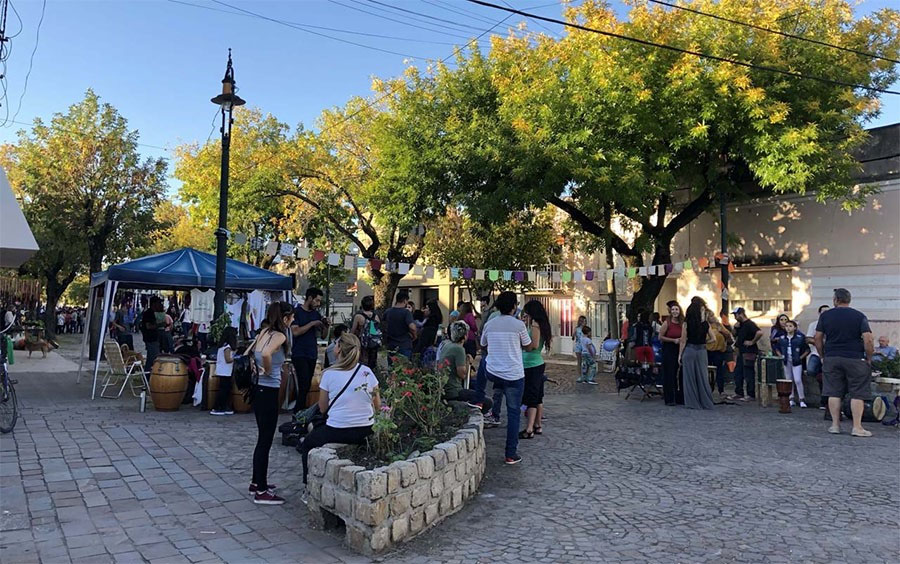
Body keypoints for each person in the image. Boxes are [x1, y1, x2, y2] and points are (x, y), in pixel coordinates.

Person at [299, 333, 380, 492]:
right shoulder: (367, 372)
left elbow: (323, 408)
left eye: (335, 344)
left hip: (338, 430)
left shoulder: (329, 374)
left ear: (338, 350)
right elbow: (377, 403)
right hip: (365, 429)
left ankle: (307, 486)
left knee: (307, 444)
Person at [249, 301, 294, 504]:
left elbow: (253, 353)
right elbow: (266, 354)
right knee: (265, 440)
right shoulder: (279, 335)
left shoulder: (263, 332)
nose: (292, 321)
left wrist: (259, 369)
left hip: (258, 389)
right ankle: (261, 489)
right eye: (291, 317)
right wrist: (267, 370)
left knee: (262, 437)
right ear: (284, 318)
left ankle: (256, 481)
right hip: (268, 389)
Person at [480, 291, 533, 465]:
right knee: (513, 412)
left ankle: (489, 401)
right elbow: (527, 346)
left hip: (494, 372)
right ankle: (510, 453)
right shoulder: (519, 325)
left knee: (496, 382)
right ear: (513, 307)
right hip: (513, 374)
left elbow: (483, 344)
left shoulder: (490, 323)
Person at [814, 288, 875, 437]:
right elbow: (868, 339)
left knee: (833, 392)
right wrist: (868, 357)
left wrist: (823, 355)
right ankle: (857, 427)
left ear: (835, 300)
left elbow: (817, 338)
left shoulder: (825, 316)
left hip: (832, 357)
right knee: (857, 393)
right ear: (849, 300)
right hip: (854, 357)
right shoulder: (859, 316)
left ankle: (835, 425)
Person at [439, 321, 492, 414]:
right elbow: (463, 374)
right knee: (488, 402)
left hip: (445, 388)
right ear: (465, 336)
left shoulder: (447, 345)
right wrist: (469, 362)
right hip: (454, 391)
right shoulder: (459, 349)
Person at [291, 288, 327, 413]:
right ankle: (298, 411)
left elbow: (323, 336)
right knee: (303, 383)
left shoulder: (316, 314)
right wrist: (312, 324)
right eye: (316, 300)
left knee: (307, 385)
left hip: (312, 353)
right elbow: (295, 332)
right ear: (310, 298)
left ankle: (301, 409)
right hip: (299, 352)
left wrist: (326, 326)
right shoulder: (297, 312)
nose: (318, 304)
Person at [519, 300, 552, 439]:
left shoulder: (535, 325)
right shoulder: (540, 324)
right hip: (535, 363)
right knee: (538, 397)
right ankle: (538, 425)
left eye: (527, 313)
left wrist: (523, 345)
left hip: (531, 363)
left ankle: (529, 428)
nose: (525, 315)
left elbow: (534, 344)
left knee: (531, 397)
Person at [679, 297, 716, 410]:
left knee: (689, 378)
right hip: (702, 351)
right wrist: (704, 342)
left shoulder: (686, 324)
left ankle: (692, 403)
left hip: (689, 350)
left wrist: (680, 355)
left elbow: (683, 340)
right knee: (703, 377)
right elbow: (713, 339)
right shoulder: (705, 324)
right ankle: (706, 402)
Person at [731, 307, 763, 402]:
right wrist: (735, 328)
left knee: (748, 373)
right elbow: (734, 335)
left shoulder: (750, 324)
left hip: (749, 351)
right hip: (741, 351)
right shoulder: (740, 325)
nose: (735, 317)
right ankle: (739, 392)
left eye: (735, 315)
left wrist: (752, 342)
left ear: (741, 314)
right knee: (738, 372)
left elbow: (759, 332)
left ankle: (750, 394)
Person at [775, 320, 808, 408]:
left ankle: (802, 399)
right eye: (787, 326)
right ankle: (791, 398)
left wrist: (800, 357)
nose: (788, 328)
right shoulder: (782, 338)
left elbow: (806, 349)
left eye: (790, 326)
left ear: (795, 328)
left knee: (797, 379)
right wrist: (781, 356)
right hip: (786, 360)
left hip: (796, 361)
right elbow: (777, 348)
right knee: (789, 380)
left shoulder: (800, 338)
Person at [659, 301, 684, 406]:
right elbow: (660, 337)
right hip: (669, 349)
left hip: (680, 348)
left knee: (680, 374)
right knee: (669, 374)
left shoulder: (683, 323)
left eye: (676, 309)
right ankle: (669, 398)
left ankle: (680, 397)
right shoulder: (667, 322)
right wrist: (672, 340)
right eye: (673, 309)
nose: (675, 311)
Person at [384, 291, 417, 362]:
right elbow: (412, 327)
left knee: (391, 368)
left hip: (391, 344)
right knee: (403, 368)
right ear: (405, 301)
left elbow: (382, 324)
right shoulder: (406, 312)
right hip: (404, 344)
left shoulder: (388, 311)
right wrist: (414, 336)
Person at [806, 305, 829, 409]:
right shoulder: (813, 325)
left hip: (828, 355)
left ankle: (824, 401)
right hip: (816, 353)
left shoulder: (832, 324)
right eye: (823, 312)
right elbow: (808, 339)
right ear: (819, 313)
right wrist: (819, 342)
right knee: (810, 370)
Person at [211, 327, 237, 416]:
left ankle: (224, 406)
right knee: (223, 390)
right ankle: (218, 407)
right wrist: (236, 358)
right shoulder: (227, 347)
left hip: (223, 370)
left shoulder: (222, 346)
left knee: (225, 389)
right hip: (225, 371)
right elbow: (228, 359)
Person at [351, 295, 381, 370]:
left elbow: (353, 331)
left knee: (363, 361)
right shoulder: (376, 316)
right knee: (372, 362)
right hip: (373, 342)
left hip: (362, 342)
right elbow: (376, 329)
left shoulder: (358, 316)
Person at [706, 309, 732, 397]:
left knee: (719, 371)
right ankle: (708, 388)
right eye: (710, 316)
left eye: (713, 315)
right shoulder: (706, 326)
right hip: (708, 351)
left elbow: (728, 334)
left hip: (719, 351)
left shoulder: (718, 325)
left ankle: (721, 390)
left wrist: (722, 331)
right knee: (708, 371)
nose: (713, 317)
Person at [413, 300, 442, 366]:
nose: (424, 310)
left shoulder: (429, 325)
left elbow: (423, 342)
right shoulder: (435, 324)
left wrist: (415, 352)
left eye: (426, 308)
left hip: (425, 353)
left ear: (431, 310)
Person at [140, 297, 163, 373]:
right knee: (154, 358)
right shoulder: (149, 313)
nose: (160, 305)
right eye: (158, 303)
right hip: (151, 339)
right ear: (154, 304)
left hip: (154, 339)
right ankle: (152, 375)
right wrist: (158, 325)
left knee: (150, 359)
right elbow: (148, 326)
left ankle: (147, 375)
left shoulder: (155, 313)